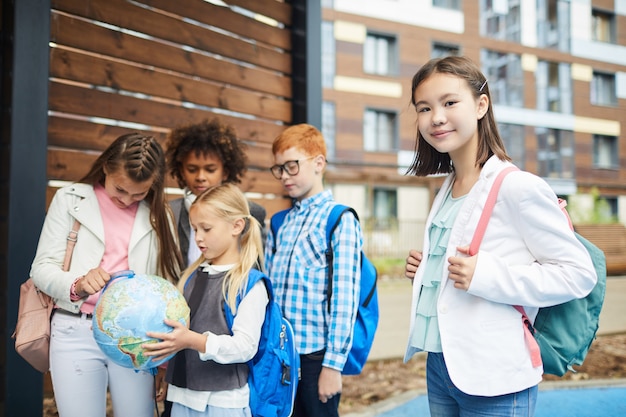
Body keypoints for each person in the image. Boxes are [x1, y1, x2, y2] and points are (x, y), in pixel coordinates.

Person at [402, 56, 597, 417]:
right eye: (424, 108)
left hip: (494, 371)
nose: (436, 117)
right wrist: (428, 268)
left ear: (481, 105)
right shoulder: (447, 188)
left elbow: (578, 273)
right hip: (442, 365)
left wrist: (485, 275)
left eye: (449, 102)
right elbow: (461, 266)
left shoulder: (517, 186)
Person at [30, 133, 183, 417]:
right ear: (106, 168)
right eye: (120, 189)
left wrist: (164, 361)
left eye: (139, 193)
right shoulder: (70, 199)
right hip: (75, 328)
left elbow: (167, 284)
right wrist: (77, 284)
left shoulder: (159, 212)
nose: (127, 199)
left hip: (137, 338)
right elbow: (41, 268)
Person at [142, 183, 268, 417]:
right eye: (194, 229)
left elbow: (244, 347)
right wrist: (164, 369)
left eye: (206, 229)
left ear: (236, 226)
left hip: (223, 402)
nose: (198, 238)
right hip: (181, 396)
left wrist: (193, 341)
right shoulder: (191, 276)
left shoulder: (250, 284)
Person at [265, 123, 362, 417]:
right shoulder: (279, 222)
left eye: (292, 166)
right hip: (277, 355)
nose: (284, 176)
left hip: (315, 358)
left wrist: (332, 366)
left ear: (318, 163)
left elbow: (345, 299)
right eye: (279, 168)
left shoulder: (339, 220)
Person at [165, 117, 267, 268]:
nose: (200, 177)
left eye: (210, 169)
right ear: (181, 171)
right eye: (192, 169)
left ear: (225, 171)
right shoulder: (171, 212)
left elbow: (255, 265)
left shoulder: (250, 212)